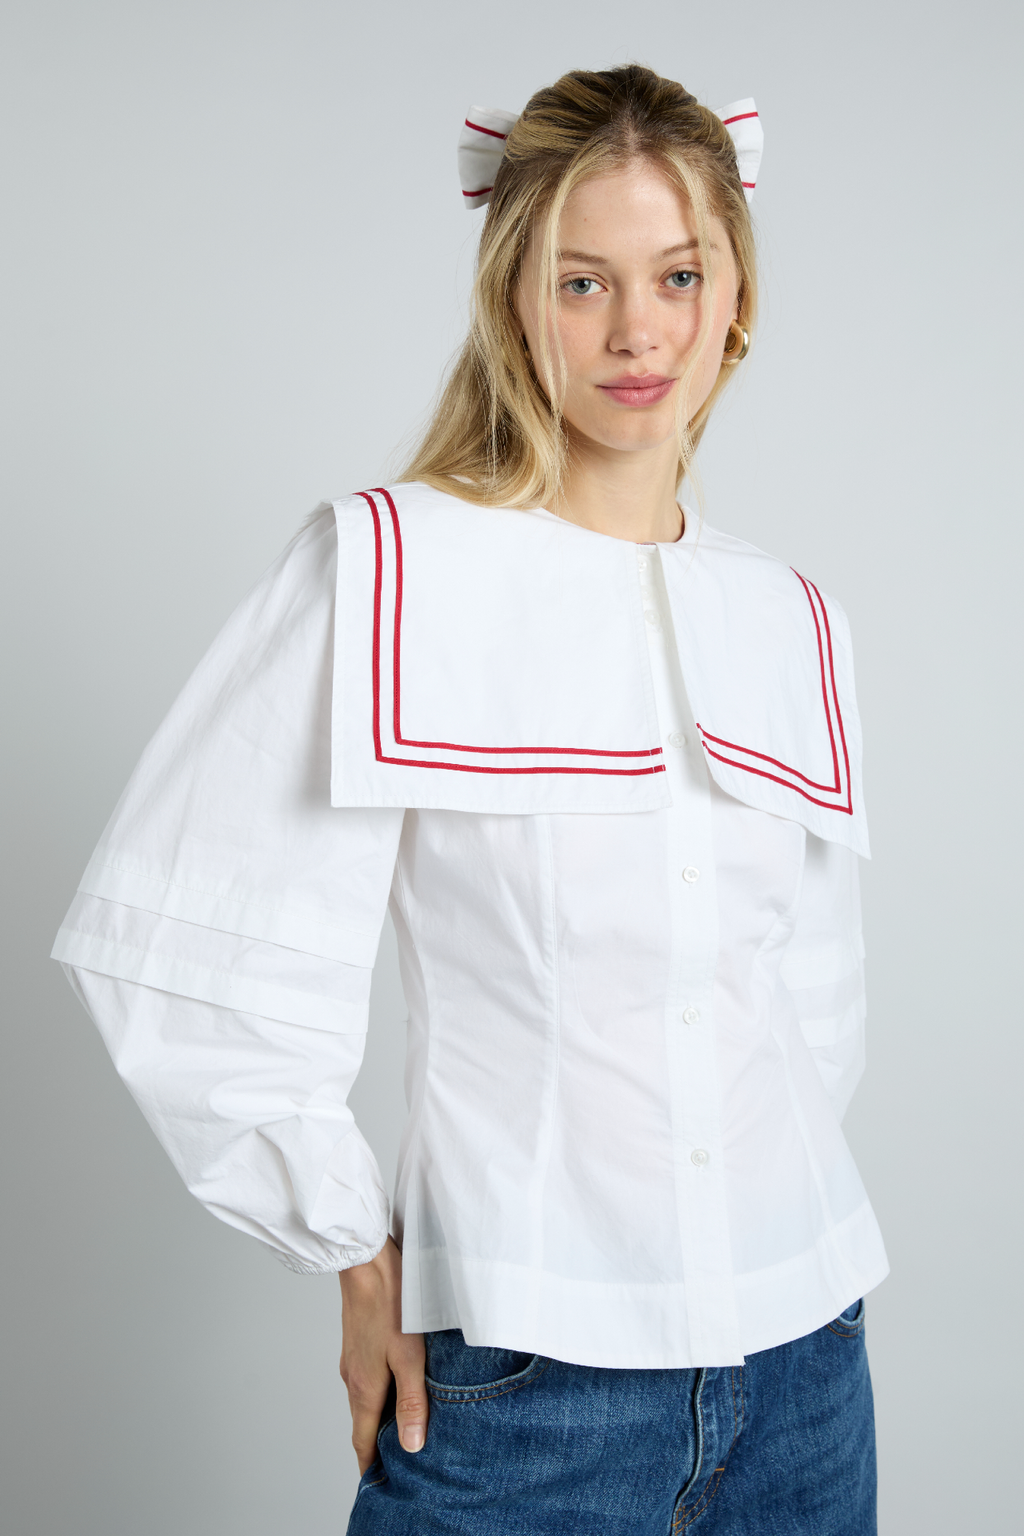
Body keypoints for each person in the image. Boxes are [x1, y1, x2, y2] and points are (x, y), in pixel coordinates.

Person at [53, 64, 887, 1534]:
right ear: (513, 300)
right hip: (523, 1388)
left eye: (678, 275)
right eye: (582, 282)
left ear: (736, 296)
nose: (638, 332)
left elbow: (810, 1002)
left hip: (809, 1367)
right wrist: (353, 1252)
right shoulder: (385, 571)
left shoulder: (790, 615)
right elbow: (181, 948)